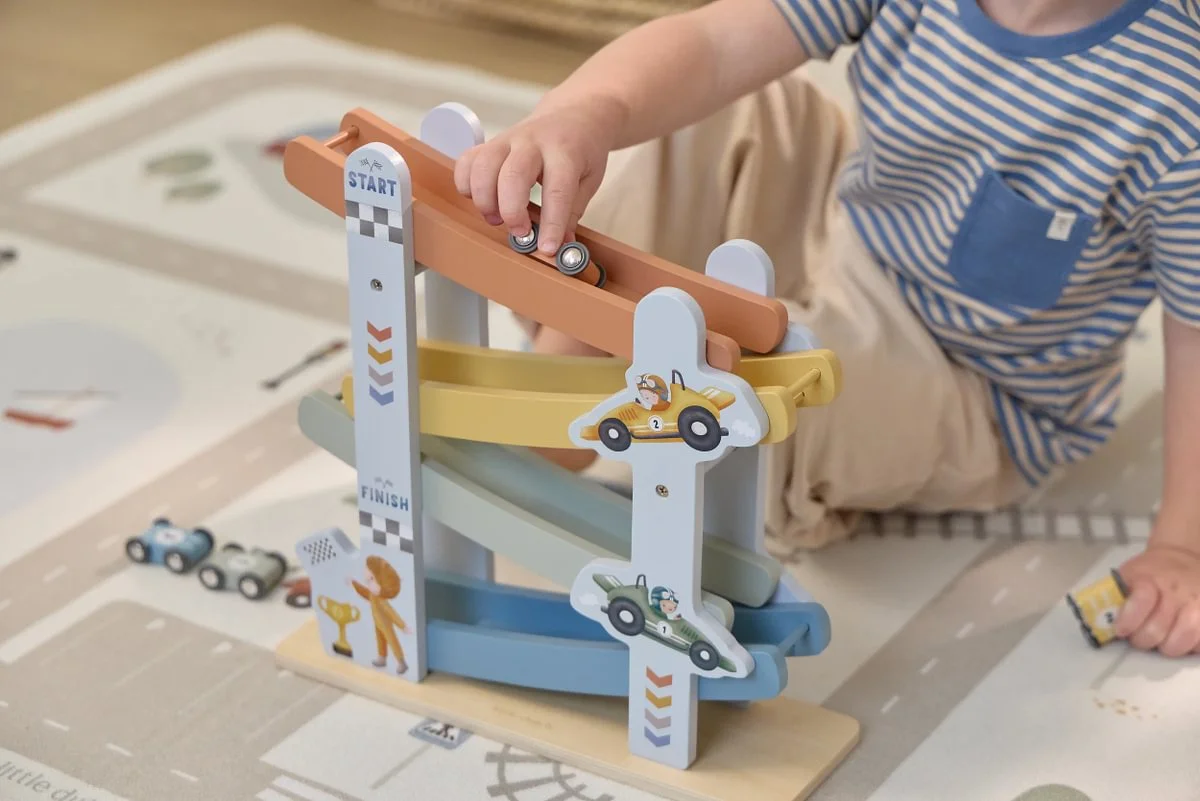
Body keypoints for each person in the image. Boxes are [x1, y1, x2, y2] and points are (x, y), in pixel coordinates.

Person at [454, 0, 1200, 657]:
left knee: (767, 387)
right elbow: (714, 44)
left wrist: (1181, 546)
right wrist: (588, 110)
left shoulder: (1177, 98)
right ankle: (577, 349)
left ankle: (603, 388)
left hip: (972, 387)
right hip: (848, 234)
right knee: (732, 102)